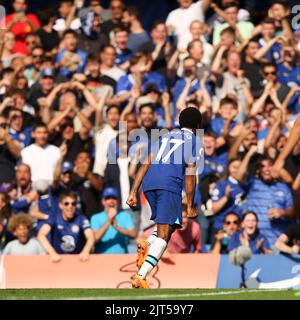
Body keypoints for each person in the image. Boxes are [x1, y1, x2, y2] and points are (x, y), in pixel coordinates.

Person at [126, 107, 203, 288]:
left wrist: (133, 192)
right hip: (169, 183)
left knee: (168, 227)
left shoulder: (164, 136)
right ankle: (141, 276)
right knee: (164, 236)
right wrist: (190, 205)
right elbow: (191, 173)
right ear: (197, 126)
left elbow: (147, 162)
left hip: (149, 183)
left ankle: (147, 243)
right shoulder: (194, 141)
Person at [37, 190, 94, 262]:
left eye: (73, 204)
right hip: (59, 260)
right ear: (60, 205)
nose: (70, 206)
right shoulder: (54, 217)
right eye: (66, 204)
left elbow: (90, 236)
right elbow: (41, 235)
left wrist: (85, 251)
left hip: (77, 260)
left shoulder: (81, 219)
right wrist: (52, 253)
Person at [90, 187, 136, 254]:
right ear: (103, 201)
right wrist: (109, 220)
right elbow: (95, 238)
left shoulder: (125, 215)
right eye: (108, 198)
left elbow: (133, 234)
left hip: (121, 259)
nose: (111, 201)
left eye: (114, 198)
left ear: (117, 201)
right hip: (101, 259)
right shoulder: (95, 218)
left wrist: (117, 227)